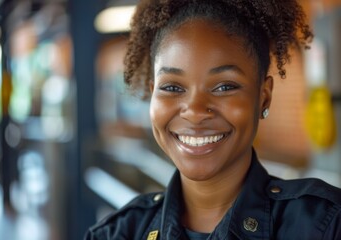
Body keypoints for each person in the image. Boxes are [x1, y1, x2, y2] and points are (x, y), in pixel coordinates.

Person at [84, 0, 341, 239]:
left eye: (224, 86)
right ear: (152, 94)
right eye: (172, 87)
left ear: (264, 96)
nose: (195, 111)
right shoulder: (116, 233)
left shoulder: (326, 225)